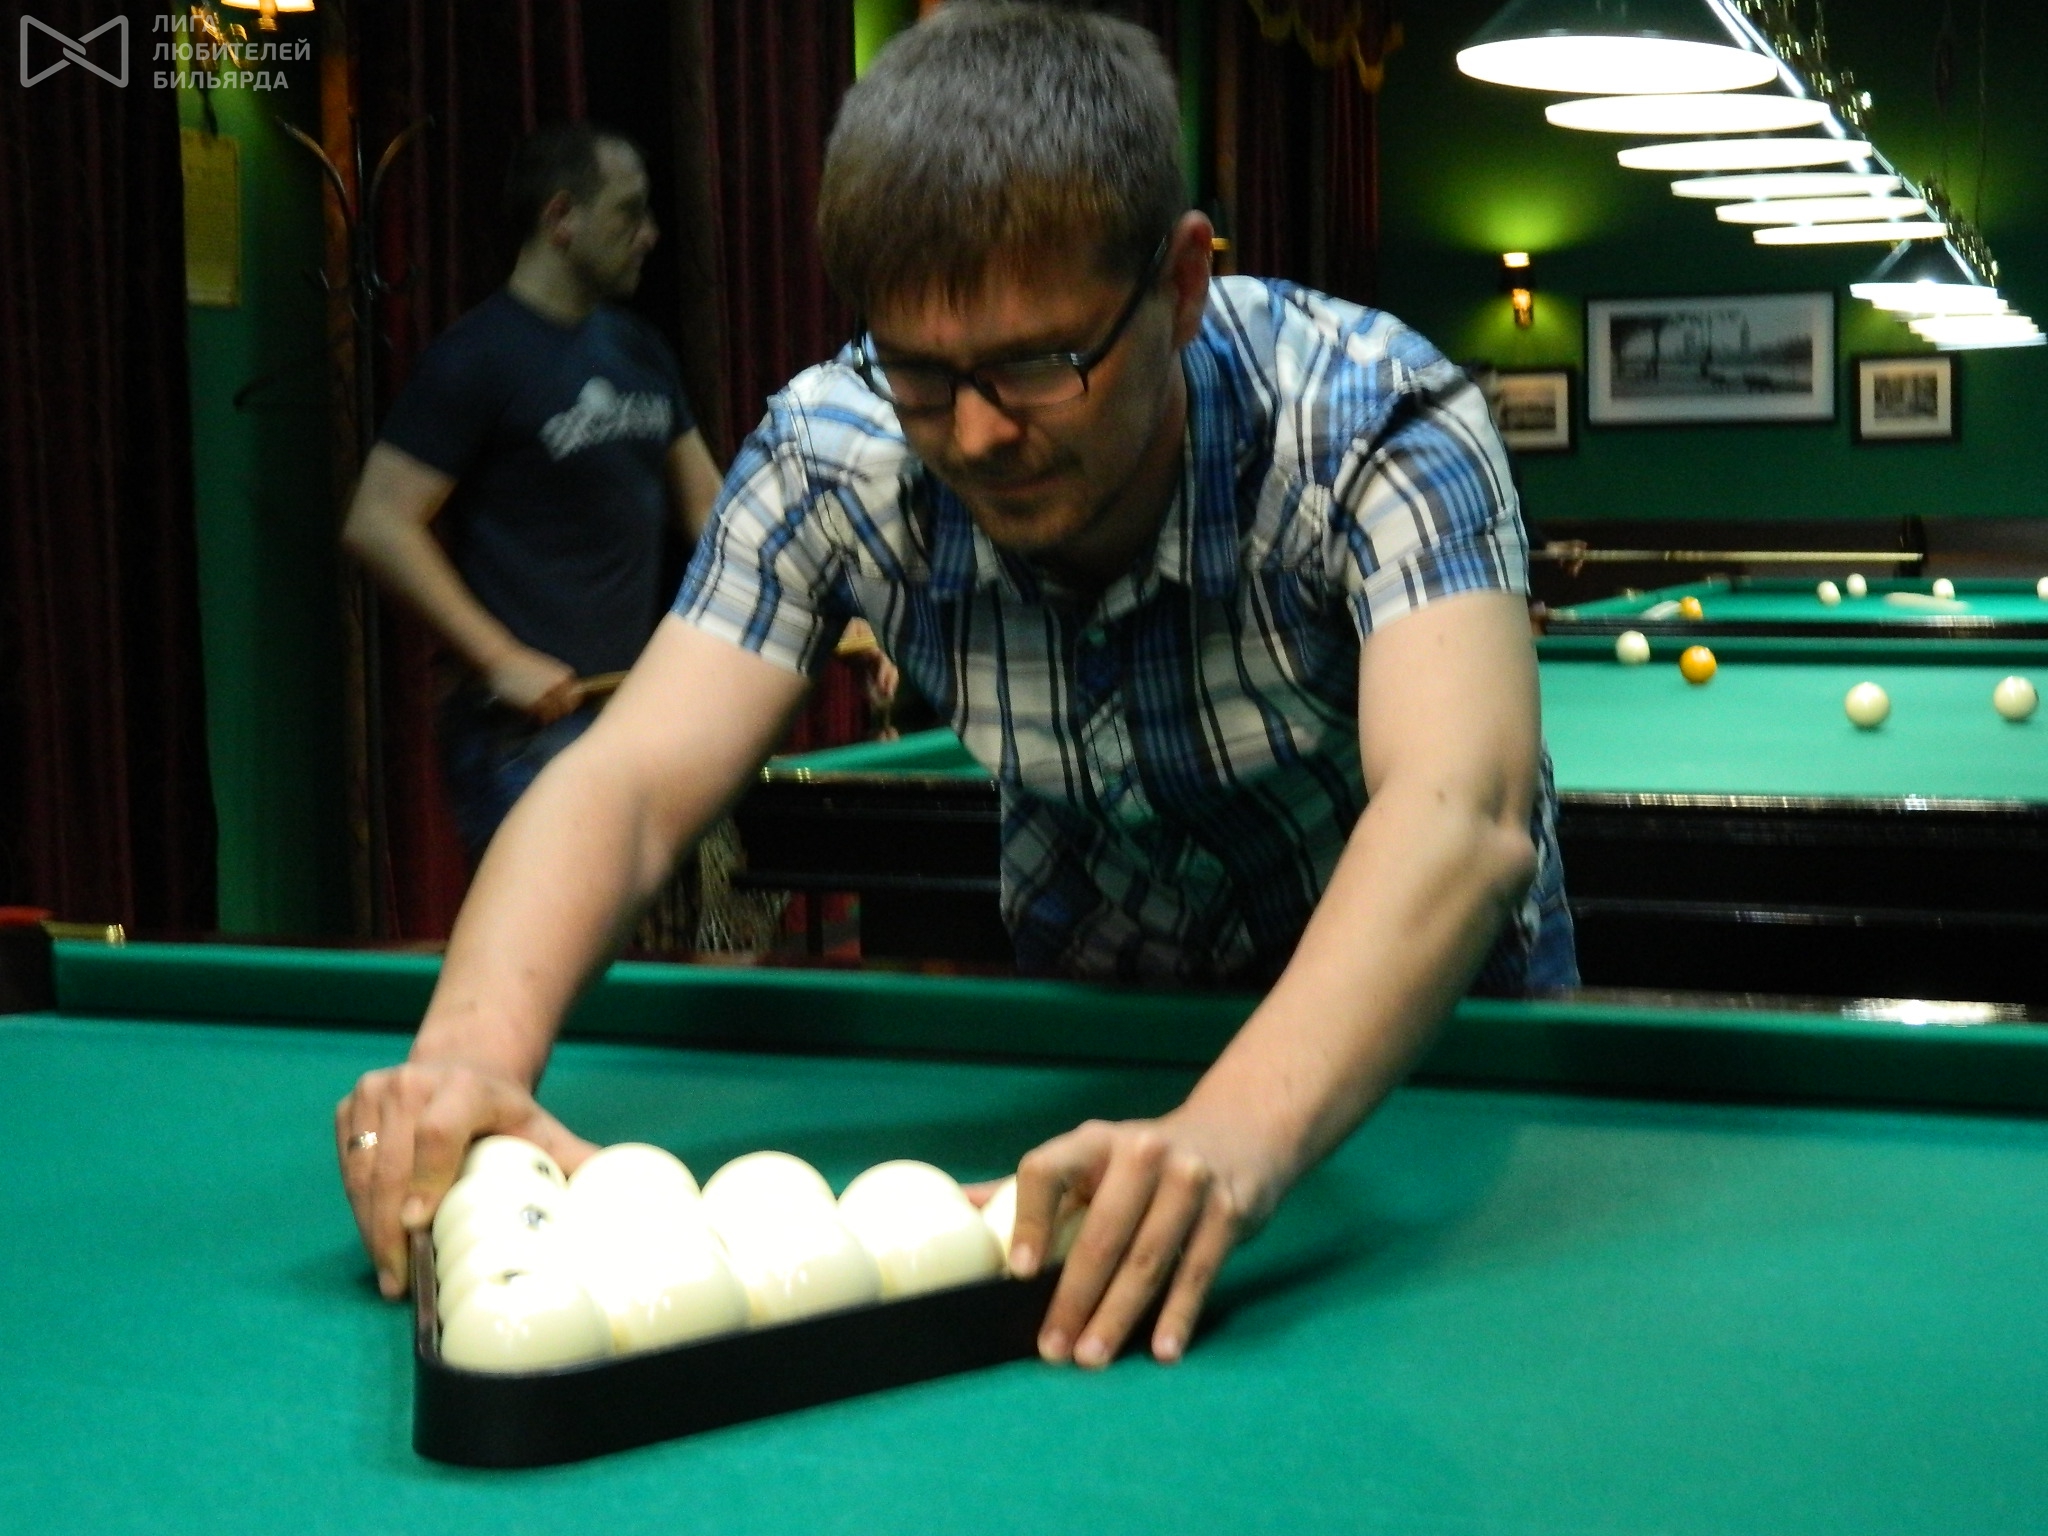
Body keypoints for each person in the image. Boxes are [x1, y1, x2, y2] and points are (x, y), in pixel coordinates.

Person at [336, 3, 1575, 1372]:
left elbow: (1458, 811)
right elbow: (627, 782)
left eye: (1039, 364)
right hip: (1088, 1014)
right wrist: (470, 1054)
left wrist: (1230, 1134)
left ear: (1179, 284)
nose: (978, 434)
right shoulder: (835, 447)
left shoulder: (1379, 415)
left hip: (1431, 1042)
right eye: (923, 372)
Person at [340, 123, 724, 862]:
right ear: (560, 218)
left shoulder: (640, 348)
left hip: (623, 711)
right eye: (629, 212)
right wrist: (499, 657)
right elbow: (379, 520)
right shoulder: (475, 359)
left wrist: (809, 616)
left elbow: (710, 509)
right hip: (521, 737)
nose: (650, 234)